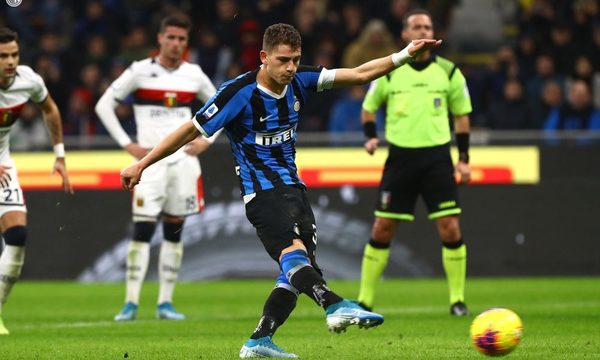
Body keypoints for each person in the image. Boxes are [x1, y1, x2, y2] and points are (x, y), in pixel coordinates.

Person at [120, 23, 440, 358]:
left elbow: (360, 74)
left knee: (297, 271)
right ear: (264, 57)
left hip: (294, 190)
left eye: (295, 60)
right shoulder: (237, 93)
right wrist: (142, 163)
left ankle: (259, 341)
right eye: (283, 60)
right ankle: (335, 305)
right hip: (261, 194)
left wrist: (405, 55)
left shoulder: (301, 80)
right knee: (294, 256)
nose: (290, 68)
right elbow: (189, 130)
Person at [95, 15, 218, 322]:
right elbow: (103, 105)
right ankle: (131, 303)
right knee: (142, 229)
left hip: (183, 163)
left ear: (186, 43)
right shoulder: (140, 71)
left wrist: (208, 141)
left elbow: (222, 106)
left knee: (174, 230)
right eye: (171, 37)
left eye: (182, 39)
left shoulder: (194, 74)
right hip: (149, 164)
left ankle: (165, 302)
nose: (176, 44)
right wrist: (127, 144)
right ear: (160, 38)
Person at [356, 9, 473, 317]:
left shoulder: (449, 72)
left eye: (427, 26)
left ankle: (457, 301)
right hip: (400, 159)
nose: (422, 30)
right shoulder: (391, 71)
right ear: (405, 35)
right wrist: (370, 136)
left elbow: (461, 116)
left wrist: (463, 159)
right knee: (382, 228)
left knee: (450, 227)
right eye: (416, 26)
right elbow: (368, 108)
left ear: (434, 33)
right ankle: (364, 301)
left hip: (437, 158)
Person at [0, 27, 73, 335]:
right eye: (3, 56)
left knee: (17, 235)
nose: (10, 62)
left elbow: (50, 108)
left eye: (14, 55)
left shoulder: (28, 80)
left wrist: (59, 154)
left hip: (3, 163)